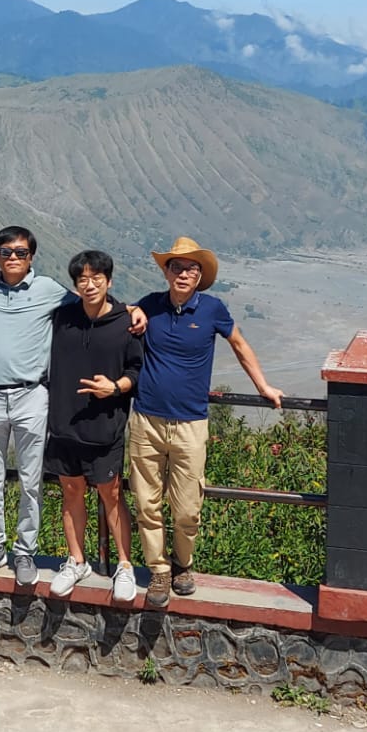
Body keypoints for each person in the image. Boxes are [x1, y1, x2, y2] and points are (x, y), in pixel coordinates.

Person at [130, 237, 283, 609]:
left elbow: (240, 345)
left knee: (187, 508)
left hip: (190, 423)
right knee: (146, 503)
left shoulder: (213, 309)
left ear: (201, 276)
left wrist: (262, 386)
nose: (183, 274)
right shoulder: (150, 304)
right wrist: (132, 309)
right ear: (166, 272)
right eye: (176, 267)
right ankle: (159, 569)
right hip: (146, 419)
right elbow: (122, 311)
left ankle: (184, 563)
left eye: (191, 269)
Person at [0, 227, 70, 588]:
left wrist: (134, 311)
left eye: (20, 252)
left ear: (32, 257)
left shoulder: (50, 290)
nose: (13, 257)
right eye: (6, 252)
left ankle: (25, 551)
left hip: (31, 395)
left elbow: (91, 305)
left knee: (31, 482)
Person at [43, 249, 143, 602]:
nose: (89, 285)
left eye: (96, 278)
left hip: (105, 426)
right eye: (82, 279)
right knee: (70, 493)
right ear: (74, 285)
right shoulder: (62, 317)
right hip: (64, 424)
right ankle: (77, 560)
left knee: (111, 494)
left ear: (109, 281)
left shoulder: (126, 323)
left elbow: (136, 371)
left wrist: (114, 388)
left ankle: (126, 566)